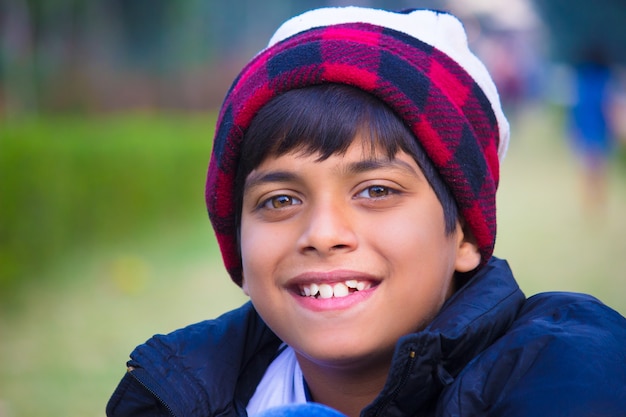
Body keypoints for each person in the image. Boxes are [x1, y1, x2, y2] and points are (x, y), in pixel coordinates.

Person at [106, 6, 626, 417]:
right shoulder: (171, 392)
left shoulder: (569, 376)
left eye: (376, 191)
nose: (324, 234)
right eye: (280, 200)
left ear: (465, 232)